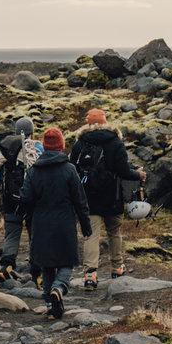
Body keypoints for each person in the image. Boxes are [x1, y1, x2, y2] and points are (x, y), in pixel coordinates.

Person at [16, 125, 91, 320]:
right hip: (64, 223)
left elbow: (25, 198)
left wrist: (22, 215)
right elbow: (80, 201)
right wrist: (86, 226)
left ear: (45, 146)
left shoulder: (34, 171)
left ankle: (50, 304)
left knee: (47, 265)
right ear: (61, 145)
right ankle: (59, 289)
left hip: (41, 224)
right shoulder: (69, 170)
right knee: (66, 262)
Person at [71, 107, 139, 291]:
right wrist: (138, 175)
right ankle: (117, 268)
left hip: (88, 198)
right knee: (114, 232)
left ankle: (90, 275)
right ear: (104, 121)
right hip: (113, 196)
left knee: (90, 234)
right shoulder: (115, 142)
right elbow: (123, 171)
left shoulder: (79, 144)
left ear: (88, 124)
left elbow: (73, 172)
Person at [0, 115, 38, 281]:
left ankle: (6, 267)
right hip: (32, 199)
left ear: (16, 131)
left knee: (12, 234)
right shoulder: (37, 149)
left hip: (10, 199)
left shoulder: (6, 150)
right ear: (32, 132)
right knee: (35, 233)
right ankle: (37, 270)